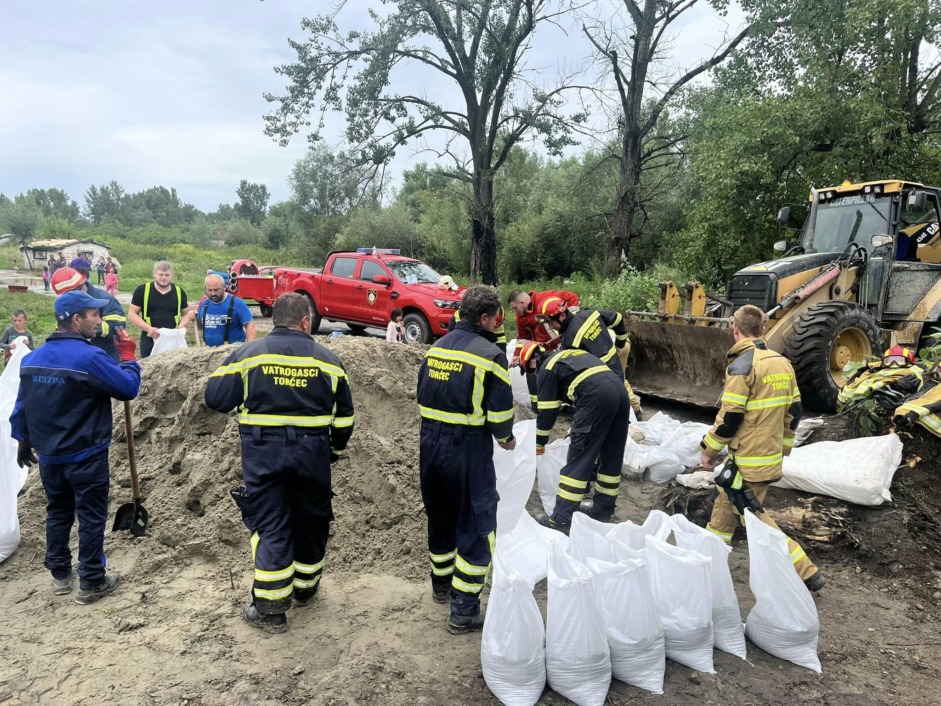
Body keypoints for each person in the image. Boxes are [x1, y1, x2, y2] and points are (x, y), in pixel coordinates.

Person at [205, 293, 354, 633]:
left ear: (275, 321)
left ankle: (271, 610)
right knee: (312, 519)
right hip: (312, 453)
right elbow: (345, 419)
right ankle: (305, 588)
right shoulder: (329, 360)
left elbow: (214, 398)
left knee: (271, 523)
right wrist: (335, 451)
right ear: (305, 322)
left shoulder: (247, 355)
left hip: (263, 452)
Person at [10, 290, 141, 604]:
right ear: (75, 319)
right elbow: (127, 388)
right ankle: (93, 580)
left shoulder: (32, 359)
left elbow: (22, 406)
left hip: (50, 456)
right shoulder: (90, 357)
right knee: (92, 516)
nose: (99, 321)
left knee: (57, 512)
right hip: (86, 454)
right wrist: (128, 358)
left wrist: (23, 440)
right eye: (94, 315)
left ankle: (60, 575)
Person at [698, 304, 824, 592]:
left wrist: (708, 450)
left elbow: (729, 417)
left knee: (753, 517)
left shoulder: (742, 365)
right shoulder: (782, 363)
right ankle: (707, 561)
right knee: (724, 509)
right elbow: (796, 412)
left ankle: (805, 570)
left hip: (747, 460)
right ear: (764, 330)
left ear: (735, 329)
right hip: (768, 456)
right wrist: (783, 448)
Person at [416, 285, 515, 634]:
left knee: (440, 516)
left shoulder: (435, 349)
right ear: (486, 318)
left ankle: (441, 587)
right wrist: (507, 439)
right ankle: (463, 611)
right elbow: (501, 415)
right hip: (467, 449)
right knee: (476, 523)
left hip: (429, 444)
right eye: (495, 319)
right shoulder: (490, 355)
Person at [520, 342, 630, 531]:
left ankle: (561, 519)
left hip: (596, 396)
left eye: (529, 370)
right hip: (620, 392)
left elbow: (547, 413)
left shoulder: (546, 368)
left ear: (532, 362)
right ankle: (602, 512)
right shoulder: (569, 355)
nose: (533, 375)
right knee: (611, 456)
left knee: (579, 458)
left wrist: (539, 443)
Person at [535, 297, 644, 418]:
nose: (550, 327)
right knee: (621, 386)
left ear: (561, 316)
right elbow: (617, 317)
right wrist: (620, 343)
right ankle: (636, 412)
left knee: (612, 403)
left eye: (550, 322)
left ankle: (629, 419)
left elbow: (575, 371)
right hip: (613, 360)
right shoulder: (589, 313)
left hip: (600, 374)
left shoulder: (569, 341)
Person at [51, 263, 128, 362]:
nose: (68, 298)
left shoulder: (106, 299)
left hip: (105, 355)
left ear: (80, 286)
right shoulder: (66, 302)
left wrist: (91, 327)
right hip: (77, 356)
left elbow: (118, 326)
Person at [128, 261, 192, 358]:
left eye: (167, 275)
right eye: (160, 274)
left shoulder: (179, 292)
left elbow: (187, 314)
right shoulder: (142, 290)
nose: (163, 278)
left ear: (172, 275)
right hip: (150, 338)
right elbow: (132, 314)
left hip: (172, 339)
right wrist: (148, 329)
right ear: (154, 274)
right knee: (148, 368)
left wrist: (182, 324)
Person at [196, 274, 256, 347]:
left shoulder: (237, 303)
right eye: (209, 290)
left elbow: (250, 326)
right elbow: (200, 327)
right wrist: (194, 317)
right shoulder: (204, 304)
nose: (213, 293)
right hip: (209, 351)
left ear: (224, 287)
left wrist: (249, 347)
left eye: (216, 290)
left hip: (231, 351)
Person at [508, 289, 580, 344]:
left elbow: (571, 297)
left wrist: (572, 320)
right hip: (548, 348)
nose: (515, 312)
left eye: (515, 308)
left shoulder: (544, 298)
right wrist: (517, 355)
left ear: (522, 303)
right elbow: (523, 338)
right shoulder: (520, 317)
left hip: (565, 340)